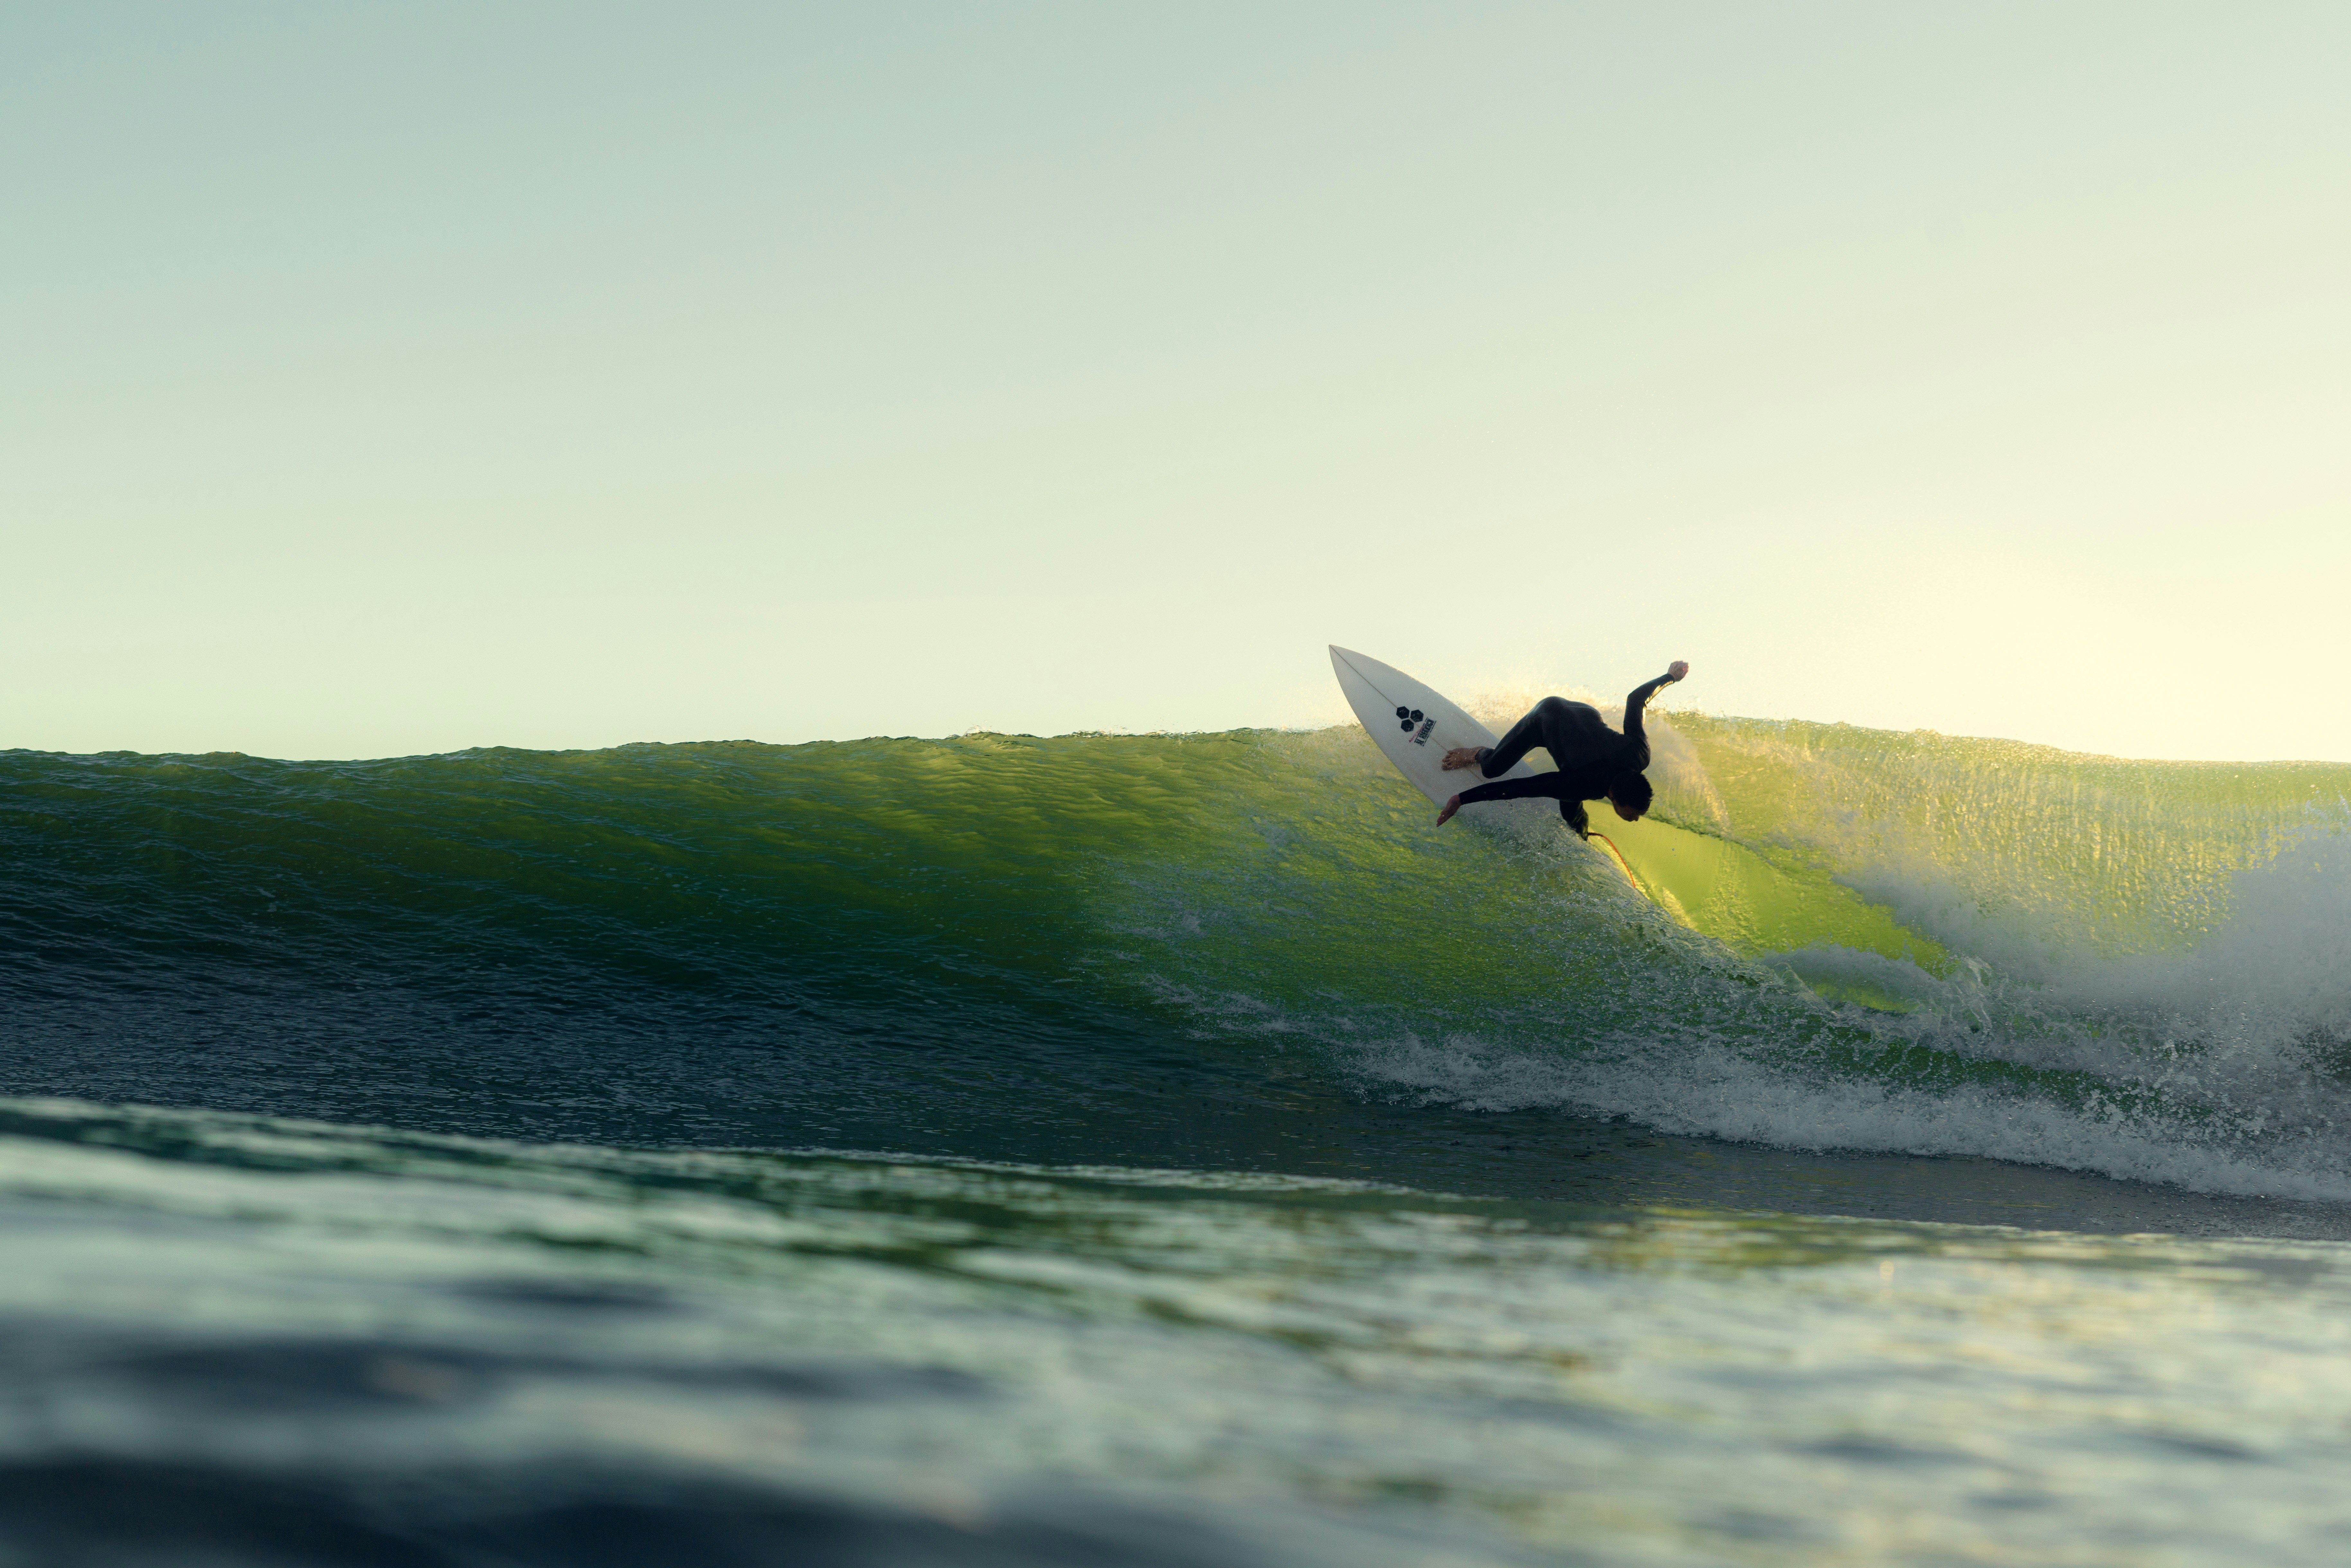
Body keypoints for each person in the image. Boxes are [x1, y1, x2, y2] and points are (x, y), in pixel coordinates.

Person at [1433, 661, 1690, 837]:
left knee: (1571, 804)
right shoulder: (1578, 783)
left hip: (1585, 714)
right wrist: (1461, 799)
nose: (1635, 819)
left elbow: (1636, 700)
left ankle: (1581, 834)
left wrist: (1671, 676)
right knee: (1492, 769)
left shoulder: (1639, 754)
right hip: (1546, 718)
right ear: (1614, 797)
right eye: (1632, 814)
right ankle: (1476, 752)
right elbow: (1519, 788)